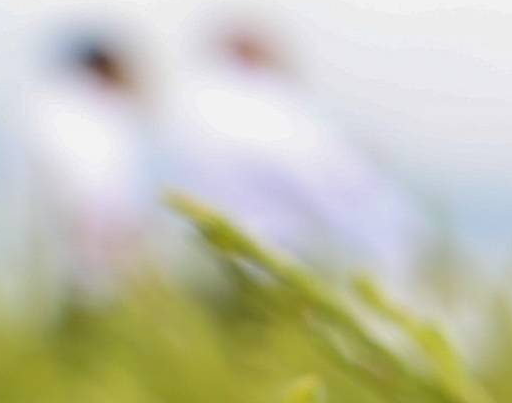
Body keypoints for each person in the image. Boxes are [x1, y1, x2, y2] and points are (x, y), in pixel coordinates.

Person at [154, 20, 420, 277]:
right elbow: (339, 185)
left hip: (210, 254)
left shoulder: (193, 109)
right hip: (293, 253)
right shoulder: (279, 110)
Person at [21, 30, 152, 297]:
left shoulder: (60, 105)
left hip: (87, 213)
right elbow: (94, 173)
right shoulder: (86, 109)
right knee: (93, 283)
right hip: (91, 213)